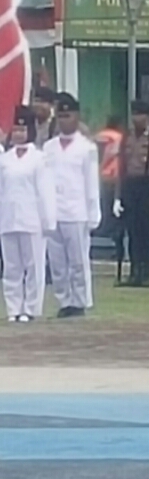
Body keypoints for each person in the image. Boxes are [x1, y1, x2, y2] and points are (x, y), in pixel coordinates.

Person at [43, 93, 100, 318]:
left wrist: (93, 213)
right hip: (53, 210)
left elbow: (91, 182)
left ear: (76, 117)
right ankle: (64, 300)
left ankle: (80, 300)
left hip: (77, 211)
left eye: (68, 115)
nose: (64, 120)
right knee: (57, 262)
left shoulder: (87, 148)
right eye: (60, 116)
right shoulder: (48, 148)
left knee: (78, 260)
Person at [1, 106, 57, 322]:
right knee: (12, 267)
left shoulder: (39, 158)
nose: (18, 135)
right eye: (15, 131)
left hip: (32, 218)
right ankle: (13, 308)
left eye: (22, 131)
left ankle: (31, 308)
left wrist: (48, 219)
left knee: (34, 266)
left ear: (30, 132)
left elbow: (45, 191)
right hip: (8, 217)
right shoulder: (4, 160)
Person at [115, 100, 149, 287]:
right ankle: (134, 271)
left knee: (148, 232)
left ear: (147, 117)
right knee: (132, 231)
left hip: (148, 186)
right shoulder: (126, 138)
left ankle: (147, 272)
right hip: (130, 186)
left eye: (139, 115)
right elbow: (121, 168)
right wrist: (117, 196)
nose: (136, 118)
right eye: (134, 115)